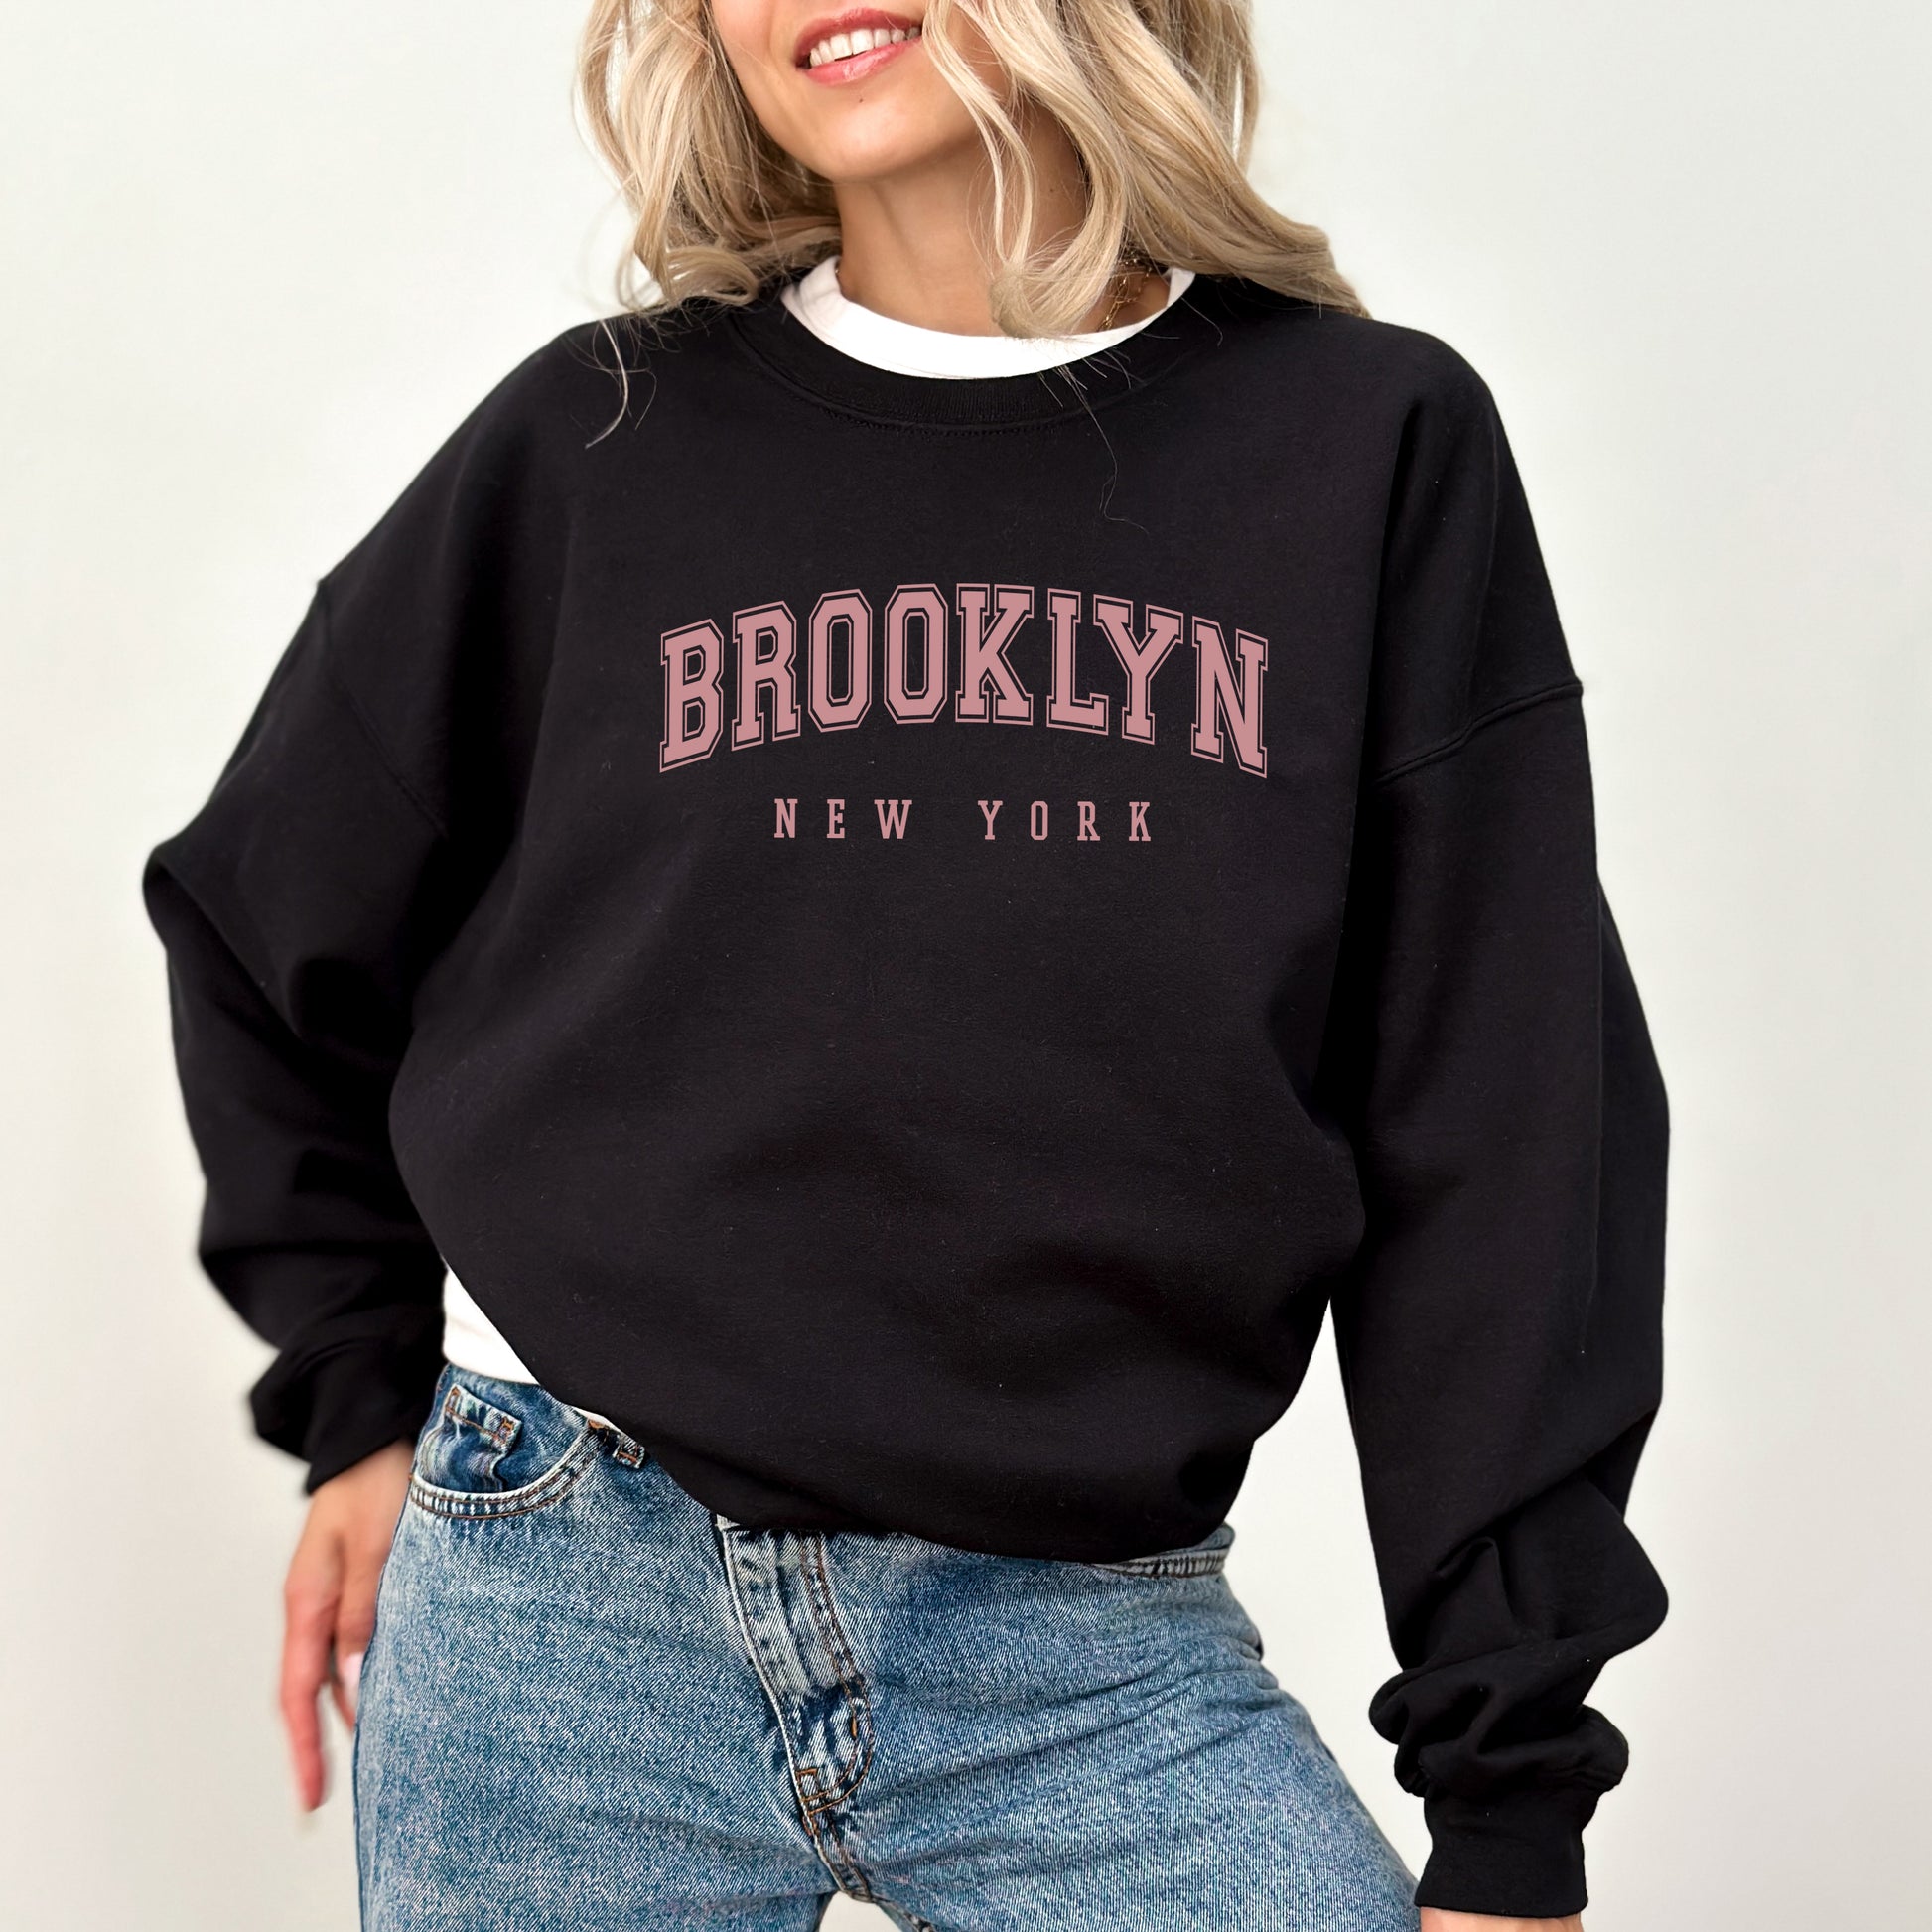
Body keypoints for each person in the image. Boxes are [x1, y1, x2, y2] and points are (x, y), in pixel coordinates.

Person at [140, 0, 1669, 1926]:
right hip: (559, 1603)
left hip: (1082, 1660)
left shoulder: (1365, 448)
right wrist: (355, 1394)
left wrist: (1509, 1797)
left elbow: (1504, 1134)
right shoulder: (595, 442)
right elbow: (262, 904)